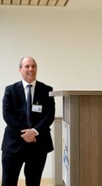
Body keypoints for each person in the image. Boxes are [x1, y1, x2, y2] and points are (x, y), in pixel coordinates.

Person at [1, 56, 55, 186]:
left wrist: (34, 132)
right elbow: (7, 115)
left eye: (33, 66)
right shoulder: (11, 90)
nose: (31, 69)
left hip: (38, 144)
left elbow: (49, 115)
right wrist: (26, 133)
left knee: (34, 182)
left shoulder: (47, 90)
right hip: (14, 144)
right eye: (27, 66)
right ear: (20, 69)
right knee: (8, 181)